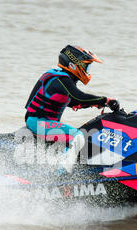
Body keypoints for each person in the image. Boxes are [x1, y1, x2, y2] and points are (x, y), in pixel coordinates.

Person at [24, 45, 120, 173]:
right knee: (77, 137)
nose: (87, 70)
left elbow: (75, 101)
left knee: (80, 136)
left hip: (41, 122)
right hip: (37, 122)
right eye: (86, 66)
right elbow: (79, 96)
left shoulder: (63, 79)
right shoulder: (61, 79)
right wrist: (105, 100)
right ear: (74, 64)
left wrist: (97, 104)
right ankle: (62, 175)